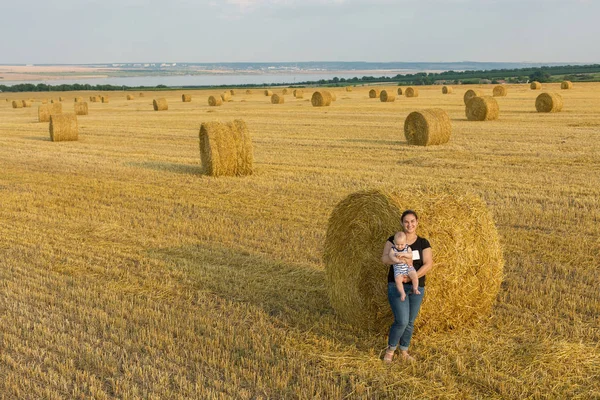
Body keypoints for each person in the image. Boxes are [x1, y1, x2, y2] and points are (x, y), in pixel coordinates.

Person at [381, 210, 433, 363]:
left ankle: (404, 350)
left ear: (417, 222)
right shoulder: (393, 240)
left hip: (417, 286)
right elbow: (384, 258)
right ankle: (390, 350)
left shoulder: (423, 243)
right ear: (402, 223)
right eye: (406, 222)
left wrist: (411, 277)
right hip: (397, 285)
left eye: (412, 221)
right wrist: (397, 259)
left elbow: (428, 264)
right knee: (402, 321)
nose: (409, 224)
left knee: (410, 322)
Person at [388, 231, 421, 302]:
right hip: (399, 270)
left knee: (414, 275)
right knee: (397, 280)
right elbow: (390, 256)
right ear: (394, 242)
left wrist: (403, 254)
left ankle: (415, 288)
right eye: (397, 244)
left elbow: (410, 255)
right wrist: (397, 261)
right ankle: (402, 293)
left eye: (402, 244)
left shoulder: (407, 248)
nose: (399, 246)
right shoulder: (393, 249)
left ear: (406, 242)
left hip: (408, 268)